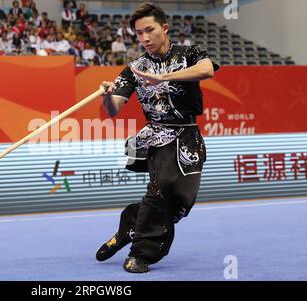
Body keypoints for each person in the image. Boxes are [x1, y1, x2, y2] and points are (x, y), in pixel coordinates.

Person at [97, 2, 219, 273]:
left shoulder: (189, 53)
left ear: (164, 28)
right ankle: (140, 253)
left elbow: (207, 69)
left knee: (180, 205)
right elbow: (112, 110)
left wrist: (164, 77)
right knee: (161, 186)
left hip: (188, 135)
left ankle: (130, 224)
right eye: (139, 33)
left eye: (149, 30)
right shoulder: (134, 68)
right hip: (157, 136)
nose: (144, 38)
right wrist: (106, 95)